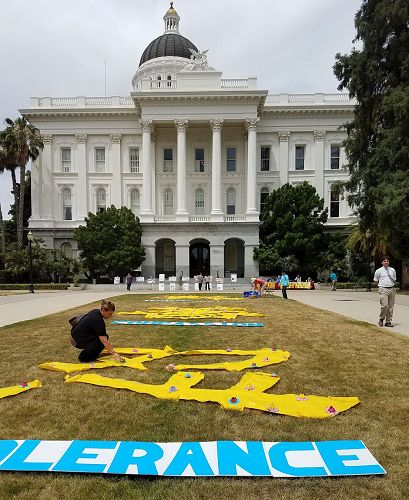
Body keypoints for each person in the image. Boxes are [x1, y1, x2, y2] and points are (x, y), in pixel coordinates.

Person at [374, 256, 397, 327]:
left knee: (391, 307)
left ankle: (388, 322)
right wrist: (379, 288)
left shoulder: (392, 270)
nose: (386, 262)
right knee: (384, 305)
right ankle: (381, 319)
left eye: (387, 261)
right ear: (382, 262)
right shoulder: (378, 271)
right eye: (384, 261)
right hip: (383, 289)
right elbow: (375, 280)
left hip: (392, 289)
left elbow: (394, 279)